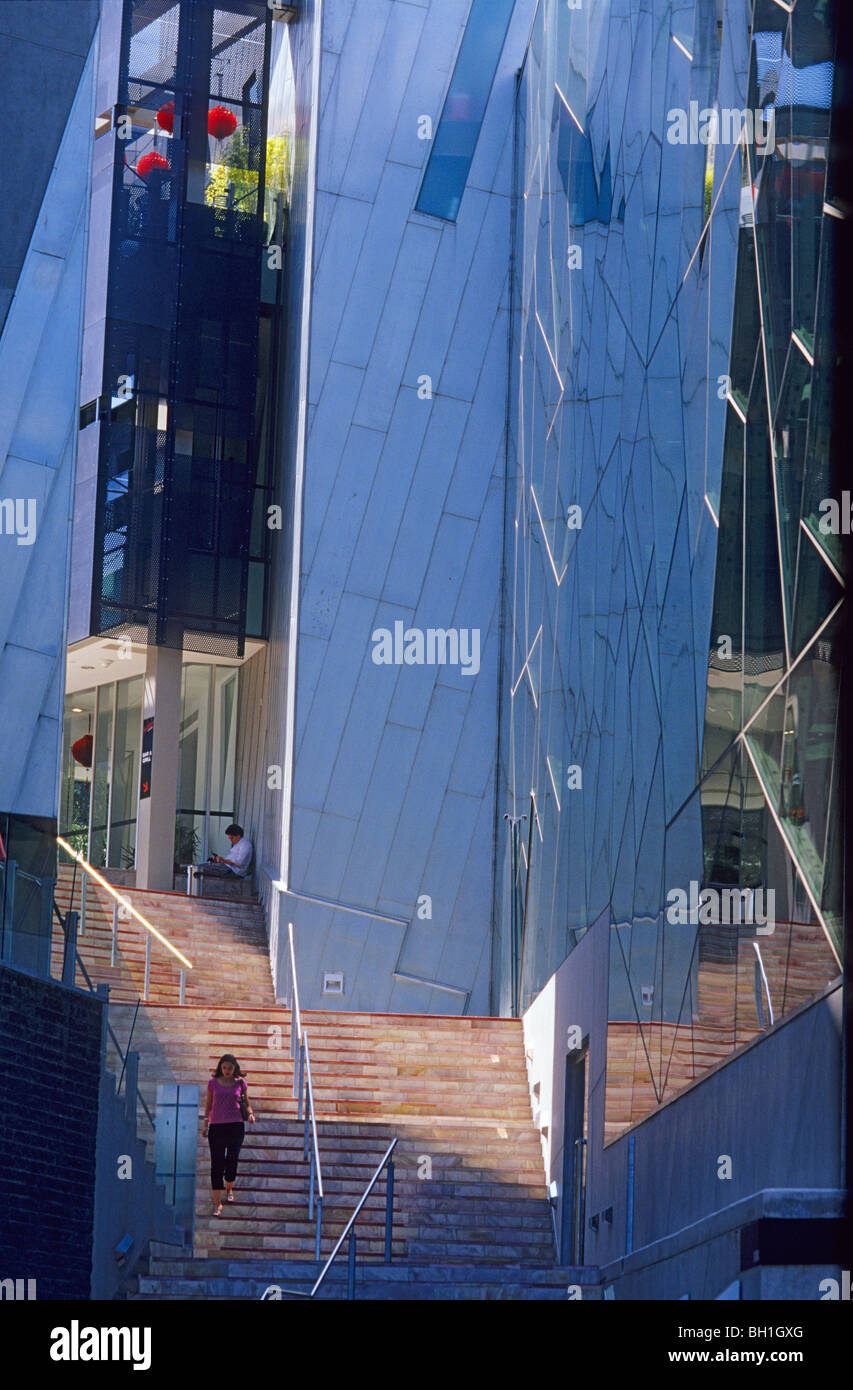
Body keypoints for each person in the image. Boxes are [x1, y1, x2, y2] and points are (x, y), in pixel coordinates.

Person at [202, 1054, 255, 1216]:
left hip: (235, 1127)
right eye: (224, 1067)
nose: (227, 1070)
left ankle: (229, 1187)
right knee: (217, 1164)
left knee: (232, 1160)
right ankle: (217, 1204)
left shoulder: (241, 1083)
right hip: (217, 1128)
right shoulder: (212, 1083)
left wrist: (251, 1115)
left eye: (230, 1068)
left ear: (235, 1068)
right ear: (220, 1067)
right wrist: (205, 1124)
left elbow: (247, 1103)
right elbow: (209, 1105)